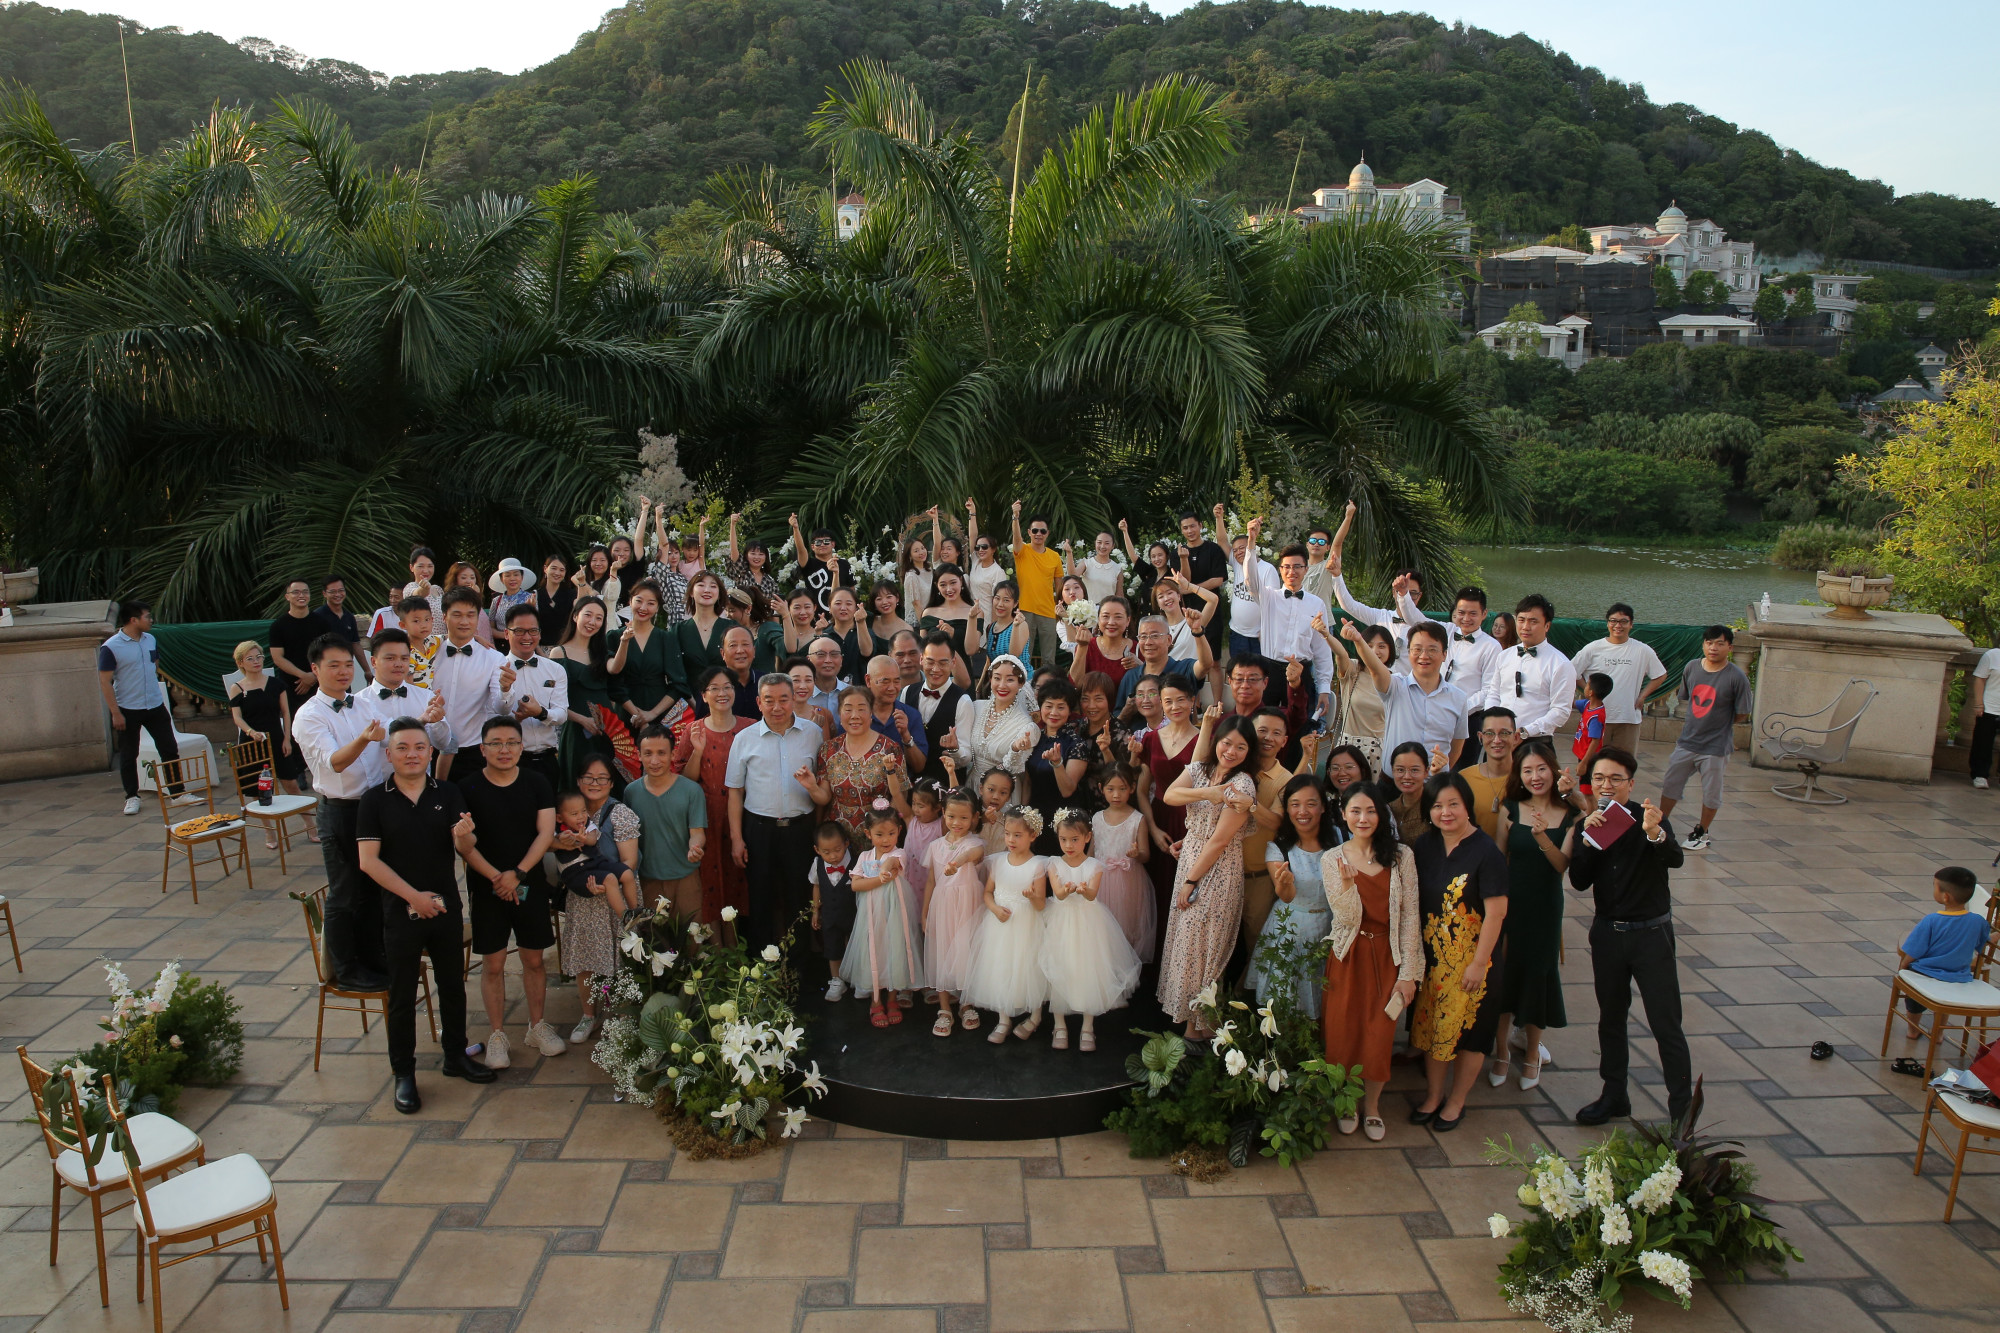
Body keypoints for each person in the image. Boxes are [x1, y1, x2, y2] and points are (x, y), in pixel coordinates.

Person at [358, 719, 497, 1114]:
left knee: (452, 985)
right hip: (400, 911)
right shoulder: (374, 800)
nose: (412, 755)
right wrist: (413, 898)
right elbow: (369, 862)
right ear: (389, 754)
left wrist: (465, 835)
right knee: (402, 996)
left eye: (420, 747)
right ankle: (404, 1072)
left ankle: (455, 1055)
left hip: (445, 906)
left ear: (430, 752)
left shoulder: (447, 792)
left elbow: (465, 846)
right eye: (402, 748)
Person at [1568, 746, 1688, 1126]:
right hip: (1608, 935)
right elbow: (1579, 881)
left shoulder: (1648, 818)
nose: (1606, 785)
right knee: (1611, 1018)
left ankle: (1682, 1115)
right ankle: (1614, 1095)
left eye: (1615, 779)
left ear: (1630, 784)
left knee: (1665, 1024)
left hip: (1651, 935)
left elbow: (1674, 858)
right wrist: (1587, 841)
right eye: (1599, 778)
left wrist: (1655, 834)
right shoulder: (1589, 824)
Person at [455, 715, 562, 1069]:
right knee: (494, 963)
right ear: (482, 749)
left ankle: (537, 1025)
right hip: (486, 886)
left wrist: (517, 874)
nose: (505, 750)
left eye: (512, 743)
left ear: (522, 746)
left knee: (534, 959)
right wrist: (497, 878)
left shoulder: (536, 782)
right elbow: (464, 844)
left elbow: (545, 833)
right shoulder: (467, 787)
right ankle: (497, 1034)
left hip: (528, 880)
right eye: (496, 744)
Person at [1407, 771, 1510, 1132]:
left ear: (1467, 806)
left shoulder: (1486, 852)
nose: (1445, 812)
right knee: (1433, 1028)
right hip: (1434, 961)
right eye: (1437, 806)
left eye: (1453, 804)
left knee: (1471, 1034)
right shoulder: (1425, 846)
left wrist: (1479, 964)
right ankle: (1434, 1095)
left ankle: (1456, 1100)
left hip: (1474, 962)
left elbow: (1496, 913)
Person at [1321, 781, 1421, 1140]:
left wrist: (1409, 973)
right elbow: (1346, 918)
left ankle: (1373, 1106)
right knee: (1342, 1033)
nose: (1363, 818)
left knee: (1379, 1035)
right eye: (1355, 811)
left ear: (1382, 814)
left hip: (1386, 956)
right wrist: (1349, 887)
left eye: (1371, 811)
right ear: (1343, 814)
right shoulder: (1332, 858)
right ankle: (1346, 1101)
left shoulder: (1401, 856)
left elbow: (1410, 916)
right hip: (1348, 957)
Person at [293, 636, 388, 989]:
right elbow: (334, 762)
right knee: (345, 892)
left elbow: (389, 734)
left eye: (348, 664)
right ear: (315, 669)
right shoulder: (309, 716)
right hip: (340, 812)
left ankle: (374, 957)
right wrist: (364, 739)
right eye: (333, 665)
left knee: (373, 890)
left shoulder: (362, 703)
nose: (343, 671)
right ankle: (345, 970)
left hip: (372, 807)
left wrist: (425, 720)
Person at [1157, 712, 1259, 1036]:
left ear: (1249, 752)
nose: (1231, 751)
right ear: (1217, 741)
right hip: (1191, 857)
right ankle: (1193, 1028)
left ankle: (1200, 1028)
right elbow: (1169, 795)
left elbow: (1219, 840)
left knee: (1202, 947)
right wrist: (1208, 793)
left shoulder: (1242, 784)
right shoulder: (1201, 770)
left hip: (1217, 871)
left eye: (1241, 747)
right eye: (1227, 743)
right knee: (1186, 945)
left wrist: (1191, 880)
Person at [1489, 742, 1577, 1091]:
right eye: (1527, 770)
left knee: (1539, 976)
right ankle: (1501, 1052)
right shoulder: (1511, 808)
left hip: (1545, 906)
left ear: (1553, 771)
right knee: (1505, 975)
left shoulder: (1569, 813)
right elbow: (1499, 858)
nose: (1535, 776)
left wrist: (1542, 837)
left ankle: (1530, 1054)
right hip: (1511, 904)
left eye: (1541, 769)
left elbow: (1561, 865)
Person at [1040, 809, 1142, 1051]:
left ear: (1087, 837)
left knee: (1088, 969)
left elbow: (1092, 894)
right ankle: (1059, 1024)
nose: (1068, 845)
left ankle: (1088, 1026)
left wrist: (1084, 890)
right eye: (1063, 839)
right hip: (1061, 920)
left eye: (1075, 839)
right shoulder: (1053, 863)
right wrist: (1066, 890)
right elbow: (1058, 893)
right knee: (1059, 967)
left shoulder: (1095, 865)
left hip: (1088, 922)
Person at [563, 757, 643, 1042]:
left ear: (611, 783)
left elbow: (629, 861)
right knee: (585, 956)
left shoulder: (620, 814)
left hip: (616, 897)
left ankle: (623, 1015)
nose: (594, 783)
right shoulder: (567, 813)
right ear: (578, 781)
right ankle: (589, 1015)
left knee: (623, 958)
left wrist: (606, 882)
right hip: (584, 897)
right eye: (588, 777)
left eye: (602, 778)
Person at [673, 666, 755, 933]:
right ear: (704, 695)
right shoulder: (693, 730)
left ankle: (742, 941)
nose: (722, 693)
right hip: (707, 817)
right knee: (712, 880)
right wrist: (697, 752)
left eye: (728, 687)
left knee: (743, 877)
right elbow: (684, 780)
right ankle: (716, 945)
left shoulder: (751, 728)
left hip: (746, 815)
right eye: (715, 688)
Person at [1657, 625, 1752, 852]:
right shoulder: (1692, 668)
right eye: (1709, 643)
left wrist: (1720, 723)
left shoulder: (1736, 677)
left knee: (1711, 793)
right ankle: (1660, 824)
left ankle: (1701, 832)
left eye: (1720, 643)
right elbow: (1686, 698)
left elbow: (1742, 713)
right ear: (1703, 645)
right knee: (1670, 785)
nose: (1713, 648)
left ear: (1730, 648)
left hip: (1716, 747)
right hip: (1687, 742)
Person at [962, 806, 1053, 1042]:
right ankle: (1003, 1019)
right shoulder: (998, 861)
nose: (1011, 840)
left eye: (1017, 835)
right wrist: (994, 908)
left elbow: (1041, 904)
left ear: (1032, 835)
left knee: (1030, 968)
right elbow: (988, 893)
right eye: (1007, 834)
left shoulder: (1038, 865)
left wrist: (1032, 897)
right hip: (1000, 925)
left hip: (1027, 926)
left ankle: (1035, 1016)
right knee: (1000, 967)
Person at [1249, 775, 1335, 1018]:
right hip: (1290, 930)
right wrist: (1285, 883)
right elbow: (1285, 896)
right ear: (1287, 809)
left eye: (1311, 804)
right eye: (1295, 804)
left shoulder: (1338, 842)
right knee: (1287, 996)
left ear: (1323, 807)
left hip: (1330, 930)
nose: (1302, 811)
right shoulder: (1278, 848)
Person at [1239, 519, 1335, 726]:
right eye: (1287, 567)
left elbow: (1322, 651)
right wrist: (1251, 542)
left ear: (1306, 569)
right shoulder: (1268, 597)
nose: (1292, 572)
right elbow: (1250, 580)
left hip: (1302, 672)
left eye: (1297, 567)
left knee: (1298, 728)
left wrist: (1324, 689)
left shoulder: (1316, 604)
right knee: (1262, 727)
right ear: (1280, 570)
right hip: (1269, 672)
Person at [843, 802, 926, 1026]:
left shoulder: (899, 853)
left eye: (891, 833)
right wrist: (879, 879)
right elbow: (855, 885)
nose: (886, 839)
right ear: (868, 834)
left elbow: (892, 863)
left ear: (899, 831)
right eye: (879, 834)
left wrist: (884, 869)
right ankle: (875, 1001)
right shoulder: (864, 857)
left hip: (895, 913)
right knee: (874, 950)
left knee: (894, 950)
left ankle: (892, 998)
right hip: (871, 916)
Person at [227, 640, 315, 840]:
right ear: (241, 663)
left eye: (258, 656)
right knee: (258, 788)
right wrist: (251, 732)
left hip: (275, 737)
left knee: (291, 783)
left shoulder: (276, 684)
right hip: (251, 742)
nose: (256, 661)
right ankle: (269, 832)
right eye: (250, 658)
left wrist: (287, 739)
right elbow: (237, 717)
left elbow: (286, 713)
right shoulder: (237, 688)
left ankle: (310, 824)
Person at [801, 686, 911, 840]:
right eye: (848, 710)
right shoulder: (828, 749)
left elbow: (901, 794)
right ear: (839, 714)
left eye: (861, 709)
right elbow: (824, 797)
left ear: (871, 713)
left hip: (877, 837)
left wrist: (882, 827)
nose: (855, 716)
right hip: (837, 840)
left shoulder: (890, 748)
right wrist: (812, 787)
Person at [625, 723, 708, 923]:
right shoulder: (631, 792)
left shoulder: (691, 791)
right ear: (639, 755)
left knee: (691, 935)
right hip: (648, 879)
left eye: (661, 753)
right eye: (648, 753)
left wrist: (695, 847)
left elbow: (697, 831)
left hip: (685, 877)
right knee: (654, 937)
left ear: (673, 754)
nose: (655, 761)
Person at [924, 786, 990, 1032]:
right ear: (943, 813)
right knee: (942, 950)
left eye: (964, 817)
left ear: (974, 817)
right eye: (951, 816)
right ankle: (944, 1008)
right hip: (942, 905)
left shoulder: (975, 843)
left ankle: (966, 1002)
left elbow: (975, 854)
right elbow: (931, 881)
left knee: (966, 950)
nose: (956, 822)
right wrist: (925, 913)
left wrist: (957, 861)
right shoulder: (935, 846)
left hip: (968, 905)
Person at [1895, 866, 1990, 1037]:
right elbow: (1982, 944)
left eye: (1934, 886)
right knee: (1945, 1001)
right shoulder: (1978, 922)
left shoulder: (1932, 920)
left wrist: (1904, 965)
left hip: (1925, 973)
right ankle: (1938, 1033)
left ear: (1945, 897)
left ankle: (1913, 1029)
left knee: (1914, 1000)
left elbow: (1915, 950)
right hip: (1958, 976)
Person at [1571, 605, 1668, 758]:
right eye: (1613, 621)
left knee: (1624, 763)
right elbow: (1571, 672)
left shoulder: (1642, 650)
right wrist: (1589, 691)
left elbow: (1660, 675)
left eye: (1623, 621)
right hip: (1597, 717)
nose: (1618, 625)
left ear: (1631, 624)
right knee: (1593, 763)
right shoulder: (1593, 648)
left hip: (1628, 718)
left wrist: (1642, 696)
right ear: (1607, 623)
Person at [430, 586, 504, 783]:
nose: (464, 622)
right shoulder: (428, 653)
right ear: (444, 617)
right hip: (428, 749)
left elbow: (501, 707)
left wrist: (506, 690)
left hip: (472, 752)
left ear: (478, 618)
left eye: (470, 615)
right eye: (457, 615)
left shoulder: (493, 658)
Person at [1376, 620, 1470, 771]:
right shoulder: (1395, 686)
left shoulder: (1459, 698)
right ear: (1409, 652)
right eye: (1417, 649)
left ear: (1444, 654)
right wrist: (1358, 642)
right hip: (1394, 781)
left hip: (1435, 782)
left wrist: (1438, 775)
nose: (1424, 656)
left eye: (1432, 650)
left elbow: (1457, 747)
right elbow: (1375, 670)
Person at [495, 604, 569, 791]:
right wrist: (505, 689)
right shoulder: (495, 668)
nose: (527, 637)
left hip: (547, 759)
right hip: (510, 760)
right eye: (519, 631)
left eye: (533, 631)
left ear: (540, 634)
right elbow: (496, 713)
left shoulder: (555, 669)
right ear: (506, 633)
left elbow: (562, 714)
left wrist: (540, 713)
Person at [1486, 595, 1574, 745]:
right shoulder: (1504, 656)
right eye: (1521, 620)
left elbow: (1561, 711)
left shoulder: (1560, 664)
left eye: (1533, 621)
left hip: (1535, 742)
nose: (1525, 627)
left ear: (1547, 626)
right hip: (1499, 739)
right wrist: (1491, 722)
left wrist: (1525, 731)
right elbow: (1494, 694)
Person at [608, 578, 688, 735]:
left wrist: (652, 714)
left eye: (651, 603)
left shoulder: (666, 638)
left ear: (657, 607)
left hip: (660, 714)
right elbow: (612, 683)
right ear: (630, 601)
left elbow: (678, 683)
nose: (643, 608)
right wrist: (637, 715)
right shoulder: (614, 637)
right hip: (625, 713)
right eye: (639, 601)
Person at [1435, 587, 1502, 770]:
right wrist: (1403, 596)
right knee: (1433, 766)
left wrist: (1460, 709)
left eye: (1473, 613)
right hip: (1437, 713)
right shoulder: (1446, 632)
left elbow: (1488, 689)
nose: (1466, 618)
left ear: (1484, 614)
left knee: (1461, 772)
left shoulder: (1491, 646)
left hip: (1469, 718)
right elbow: (1415, 619)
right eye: (1461, 612)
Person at [1024, 677, 1093, 853]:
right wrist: (1023, 814)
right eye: (1049, 706)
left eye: (1061, 707)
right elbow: (1027, 782)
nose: (1054, 712)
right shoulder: (1035, 738)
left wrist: (1057, 763)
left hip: (1065, 821)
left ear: (1069, 711)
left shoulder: (1076, 743)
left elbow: (1067, 790)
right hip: (1035, 817)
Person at [550, 789, 637, 917]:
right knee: (610, 878)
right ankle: (625, 916)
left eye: (584, 811)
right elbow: (549, 843)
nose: (581, 816)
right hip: (575, 872)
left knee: (628, 873)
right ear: (559, 817)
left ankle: (636, 911)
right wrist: (560, 839)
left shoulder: (587, 824)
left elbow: (592, 840)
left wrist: (583, 838)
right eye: (574, 813)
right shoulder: (554, 829)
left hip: (596, 863)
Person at [957, 654, 1040, 788]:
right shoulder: (976, 707)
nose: (1002, 685)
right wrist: (954, 749)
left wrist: (1015, 749)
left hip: (1002, 791)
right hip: (972, 785)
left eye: (1010, 679)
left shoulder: (1027, 726)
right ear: (990, 679)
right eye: (997, 678)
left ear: (1020, 684)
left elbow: (1013, 769)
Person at [905, 635, 973, 787]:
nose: (935, 669)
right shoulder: (907, 692)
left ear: (953, 663)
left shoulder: (963, 701)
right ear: (921, 659)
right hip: (912, 783)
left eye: (943, 663)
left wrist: (955, 749)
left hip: (946, 784)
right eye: (930, 662)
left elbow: (966, 757)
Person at [1328, 618, 1394, 767]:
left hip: (1379, 753)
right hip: (1349, 749)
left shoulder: (1395, 680)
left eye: (1382, 646)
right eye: (1369, 646)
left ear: (1390, 650)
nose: (1375, 651)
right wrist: (1326, 634)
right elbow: (1341, 654)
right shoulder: (1353, 669)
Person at [1010, 501, 1066, 667]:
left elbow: (1059, 585)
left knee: (1049, 658)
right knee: (1024, 655)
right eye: (1035, 530)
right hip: (1025, 609)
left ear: (1048, 533)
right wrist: (1015, 517)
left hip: (1048, 611)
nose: (1038, 534)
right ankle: (1024, 682)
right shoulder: (1022, 550)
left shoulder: (1055, 556)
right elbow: (1016, 538)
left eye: (1042, 531)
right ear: (1029, 532)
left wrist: (1060, 606)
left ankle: (1049, 682)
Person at [1217, 516, 1278, 661]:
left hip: (1258, 636)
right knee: (1237, 671)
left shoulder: (1267, 569)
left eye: (1242, 548)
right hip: (1237, 635)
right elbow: (1222, 541)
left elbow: (1273, 603)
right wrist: (1219, 517)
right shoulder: (1237, 564)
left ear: (1251, 547)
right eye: (1235, 550)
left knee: (1259, 672)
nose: (1238, 552)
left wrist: (1266, 630)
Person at [810, 820, 858, 1000]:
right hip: (830, 915)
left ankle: (858, 978)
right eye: (826, 852)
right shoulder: (817, 864)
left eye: (837, 850)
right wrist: (815, 911)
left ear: (846, 843)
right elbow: (816, 886)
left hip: (853, 914)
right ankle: (837, 980)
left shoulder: (856, 862)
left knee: (855, 945)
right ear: (817, 850)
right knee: (832, 947)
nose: (833, 856)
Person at [1176, 506, 1232, 661]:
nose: (1189, 531)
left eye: (1192, 526)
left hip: (1211, 612)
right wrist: (1183, 559)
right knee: (1188, 659)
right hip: (1187, 613)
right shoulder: (1178, 553)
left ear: (1200, 525)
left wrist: (1190, 589)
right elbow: (1184, 581)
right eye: (1185, 528)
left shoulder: (1213, 549)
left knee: (1213, 661)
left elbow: (1218, 580)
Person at [1460, 707, 1518, 840]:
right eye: (1489, 733)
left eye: (1504, 733)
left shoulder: (1529, 779)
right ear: (1480, 737)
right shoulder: (1464, 779)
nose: (1497, 740)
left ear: (1515, 737)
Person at [863, 656, 927, 774]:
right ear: (868, 680)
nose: (892, 688)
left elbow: (919, 767)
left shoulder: (910, 715)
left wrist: (906, 736)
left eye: (897, 681)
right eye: (885, 681)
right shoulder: (856, 716)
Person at [919, 565, 981, 685]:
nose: (949, 589)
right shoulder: (928, 613)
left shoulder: (974, 612)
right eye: (943, 585)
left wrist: (955, 634)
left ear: (961, 581)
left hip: (963, 679)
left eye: (953, 583)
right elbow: (922, 651)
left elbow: (971, 650)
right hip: (933, 678)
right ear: (936, 586)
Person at [788, 513, 855, 615]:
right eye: (818, 542)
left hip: (841, 615)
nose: (822, 544)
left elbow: (852, 590)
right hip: (816, 615)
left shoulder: (843, 564)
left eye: (826, 541)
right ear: (812, 547)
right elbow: (801, 549)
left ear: (833, 544)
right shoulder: (808, 563)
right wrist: (796, 528)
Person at [269, 578, 323, 700]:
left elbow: (327, 652)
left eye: (305, 592)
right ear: (287, 596)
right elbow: (277, 658)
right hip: (291, 685)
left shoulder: (322, 622)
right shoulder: (278, 626)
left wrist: (314, 676)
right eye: (296, 592)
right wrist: (304, 676)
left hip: (320, 683)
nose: (301, 595)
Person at [1067, 595, 1137, 685]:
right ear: (1098, 619)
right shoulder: (1087, 645)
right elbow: (1075, 683)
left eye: (1118, 617)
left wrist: (1140, 666)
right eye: (1105, 616)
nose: (1111, 622)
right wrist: (1082, 647)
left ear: (1128, 620)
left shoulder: (1138, 648)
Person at [675, 569, 731, 676]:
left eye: (713, 586)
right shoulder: (678, 630)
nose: (707, 590)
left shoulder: (731, 628)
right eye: (701, 585)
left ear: (719, 594)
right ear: (691, 592)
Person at [963, 500, 1009, 621]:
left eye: (984, 547)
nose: (980, 550)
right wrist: (972, 512)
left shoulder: (997, 572)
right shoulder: (976, 562)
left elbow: (998, 601)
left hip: (987, 618)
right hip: (971, 615)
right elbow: (973, 535)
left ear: (993, 549)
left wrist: (993, 626)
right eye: (978, 547)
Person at [1571, 673, 1612, 802]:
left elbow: (1595, 741)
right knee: (1585, 789)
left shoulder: (1595, 717)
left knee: (1588, 793)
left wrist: (1584, 763)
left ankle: (1591, 813)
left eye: (1587, 684)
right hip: (1583, 754)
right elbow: (1572, 704)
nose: (1585, 686)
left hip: (1588, 757)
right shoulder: (1587, 705)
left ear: (1591, 692)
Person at [725, 513, 781, 606]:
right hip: (742, 613)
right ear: (746, 555)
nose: (757, 557)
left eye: (761, 554)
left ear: (766, 557)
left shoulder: (770, 581)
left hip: (763, 615)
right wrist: (733, 525)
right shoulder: (741, 571)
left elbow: (775, 607)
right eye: (753, 553)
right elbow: (734, 549)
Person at [1385, 741, 1434, 844]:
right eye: (1400, 770)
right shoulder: (1388, 810)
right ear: (1393, 771)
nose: (1407, 776)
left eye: (1414, 770)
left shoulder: (1436, 806)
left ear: (1426, 771)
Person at [444, 562, 497, 648]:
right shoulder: (450, 602)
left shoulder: (477, 600)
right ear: (455, 579)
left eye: (472, 577)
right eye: (463, 577)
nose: (468, 581)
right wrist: (477, 639)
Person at [397, 597, 441, 689]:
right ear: (403, 625)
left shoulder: (432, 641)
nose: (423, 625)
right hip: (414, 695)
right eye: (416, 621)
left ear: (432, 619)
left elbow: (451, 638)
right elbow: (408, 685)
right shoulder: (405, 653)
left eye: (427, 619)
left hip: (429, 695)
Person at [487, 558, 536, 633]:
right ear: (501, 579)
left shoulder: (531, 598)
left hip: (523, 639)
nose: (512, 578)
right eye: (507, 575)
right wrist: (508, 636)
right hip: (500, 640)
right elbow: (491, 629)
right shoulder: (496, 601)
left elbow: (535, 626)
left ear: (522, 577)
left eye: (516, 575)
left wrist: (530, 609)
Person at [535, 555, 575, 642]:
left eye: (562, 570)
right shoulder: (534, 595)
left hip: (564, 645)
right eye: (554, 568)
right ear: (545, 569)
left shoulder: (572, 595)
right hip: (538, 646)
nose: (557, 573)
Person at [403, 546, 444, 624]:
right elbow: (417, 594)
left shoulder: (438, 589)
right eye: (420, 566)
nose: (425, 570)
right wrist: (423, 589)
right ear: (411, 567)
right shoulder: (410, 587)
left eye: (430, 566)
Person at [868, 580, 913, 649]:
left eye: (889, 597)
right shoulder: (868, 621)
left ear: (897, 598)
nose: (884, 602)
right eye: (879, 599)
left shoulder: (906, 629)